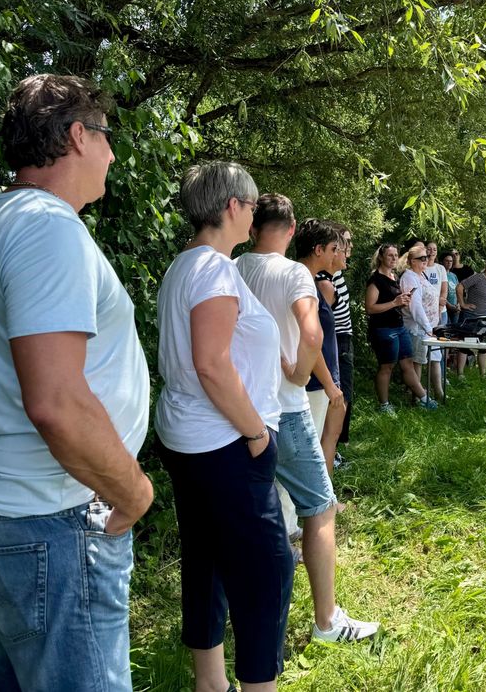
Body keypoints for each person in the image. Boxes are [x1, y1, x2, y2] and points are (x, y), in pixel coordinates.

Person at [0, 74, 153, 692]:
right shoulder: (45, 226)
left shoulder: (2, 219)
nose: (112, 156)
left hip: (19, 518)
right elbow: (56, 401)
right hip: (55, 520)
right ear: (79, 136)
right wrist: (133, 491)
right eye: (107, 138)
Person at [155, 162, 293, 692]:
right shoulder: (212, 269)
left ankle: (210, 684)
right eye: (252, 205)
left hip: (190, 438)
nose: (254, 216)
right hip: (225, 443)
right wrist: (257, 433)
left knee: (206, 560)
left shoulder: (185, 264)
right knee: (266, 572)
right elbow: (211, 363)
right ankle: (258, 685)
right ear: (232, 206)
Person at [235, 196, 379, 642]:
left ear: (251, 226)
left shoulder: (234, 267)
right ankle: (326, 622)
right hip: (286, 407)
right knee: (321, 506)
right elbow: (312, 332)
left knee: (254, 510)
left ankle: (245, 610)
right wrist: (300, 373)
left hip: (241, 410)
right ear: (293, 228)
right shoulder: (295, 273)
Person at [364, 243, 438, 413]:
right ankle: (384, 405)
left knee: (408, 364)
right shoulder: (376, 279)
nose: (394, 258)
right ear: (381, 257)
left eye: (396, 255)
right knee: (386, 367)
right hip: (384, 329)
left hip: (399, 326)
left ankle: (424, 399)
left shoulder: (394, 277)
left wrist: (403, 302)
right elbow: (369, 308)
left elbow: (395, 303)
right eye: (390, 255)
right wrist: (394, 303)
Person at [298, 220, 346, 475]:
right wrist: (329, 383)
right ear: (318, 250)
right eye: (333, 249)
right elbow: (309, 340)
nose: (337, 255)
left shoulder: (310, 281)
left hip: (319, 380)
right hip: (314, 383)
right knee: (310, 449)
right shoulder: (305, 284)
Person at [318, 224, 355, 463]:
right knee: (337, 398)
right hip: (335, 341)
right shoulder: (323, 281)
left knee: (344, 396)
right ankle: (329, 452)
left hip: (342, 338)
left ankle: (332, 449)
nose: (349, 247)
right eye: (345, 242)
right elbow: (323, 322)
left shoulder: (336, 274)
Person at [400, 243, 443, 400]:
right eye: (422, 258)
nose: (426, 259)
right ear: (413, 261)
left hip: (429, 328)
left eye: (427, 257)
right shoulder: (409, 278)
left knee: (430, 359)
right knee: (416, 362)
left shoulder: (421, 275)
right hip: (418, 328)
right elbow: (415, 306)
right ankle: (416, 399)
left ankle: (435, 394)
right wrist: (427, 327)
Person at [455, 257, 486, 377]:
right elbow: (460, 287)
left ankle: (483, 374)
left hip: (484, 317)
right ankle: (460, 374)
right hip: (469, 315)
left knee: (483, 345)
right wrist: (462, 304)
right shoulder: (478, 277)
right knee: (465, 344)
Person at [440, 251, 461, 324]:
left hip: (455, 308)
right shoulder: (440, 274)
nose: (449, 263)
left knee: (455, 329)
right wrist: (449, 306)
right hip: (444, 308)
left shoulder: (453, 275)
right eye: (447, 261)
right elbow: (439, 292)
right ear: (442, 262)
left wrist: (458, 304)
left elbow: (458, 291)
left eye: (451, 261)